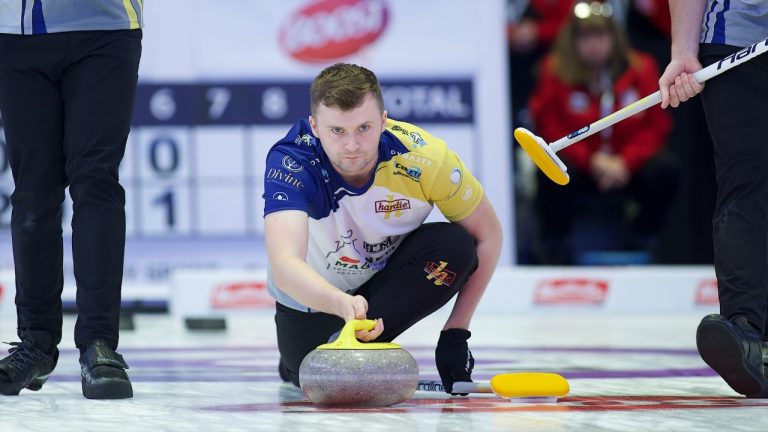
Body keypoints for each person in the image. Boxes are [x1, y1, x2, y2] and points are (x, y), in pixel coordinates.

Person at [262, 63, 503, 393]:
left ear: (384, 121)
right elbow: (285, 265)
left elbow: (488, 236)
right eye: (337, 131)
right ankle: (298, 358)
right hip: (314, 300)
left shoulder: (426, 158)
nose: (351, 145)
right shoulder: (292, 161)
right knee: (318, 379)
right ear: (315, 127)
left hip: (378, 289)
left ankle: (354, 343)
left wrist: (456, 334)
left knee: (457, 245)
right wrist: (337, 302)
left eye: (364, 128)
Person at [0, 2, 143, 399]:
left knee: (95, 182)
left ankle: (99, 344)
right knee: (32, 193)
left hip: (105, 27)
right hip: (16, 32)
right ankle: (36, 344)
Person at [659, 0, 768, 398]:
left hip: (732, 40)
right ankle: (747, 334)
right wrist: (683, 51)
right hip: (732, 43)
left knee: (748, 186)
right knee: (748, 183)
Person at [528, 5, 676, 264]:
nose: (593, 45)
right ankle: (555, 245)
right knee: (548, 172)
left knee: (666, 169)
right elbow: (549, 126)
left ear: (614, 38)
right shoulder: (553, 71)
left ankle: (642, 239)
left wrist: (625, 161)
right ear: (572, 40)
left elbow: (656, 125)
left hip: (627, 167)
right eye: (585, 37)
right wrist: (591, 160)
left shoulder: (641, 69)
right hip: (581, 168)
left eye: (600, 36)